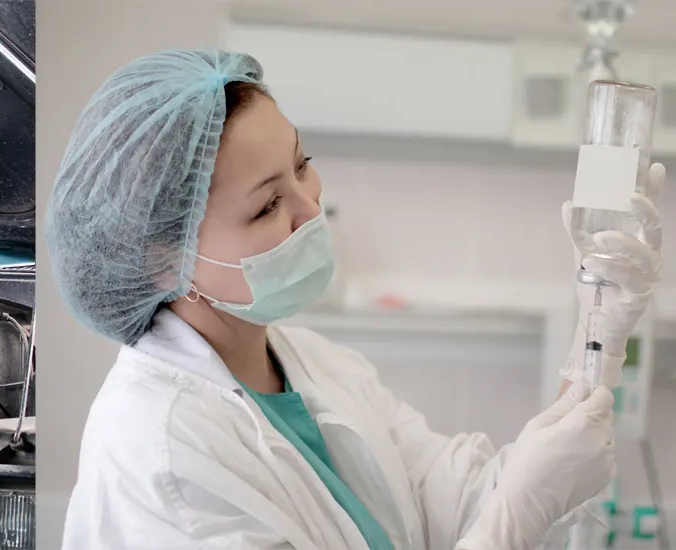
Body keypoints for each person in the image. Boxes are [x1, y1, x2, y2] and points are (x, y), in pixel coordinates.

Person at [47, 49, 657, 549]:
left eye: (302, 164)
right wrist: (516, 515)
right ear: (162, 261)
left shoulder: (318, 366)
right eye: (266, 205)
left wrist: (599, 326)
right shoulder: (161, 458)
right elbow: (512, 508)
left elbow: (474, 498)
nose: (311, 209)